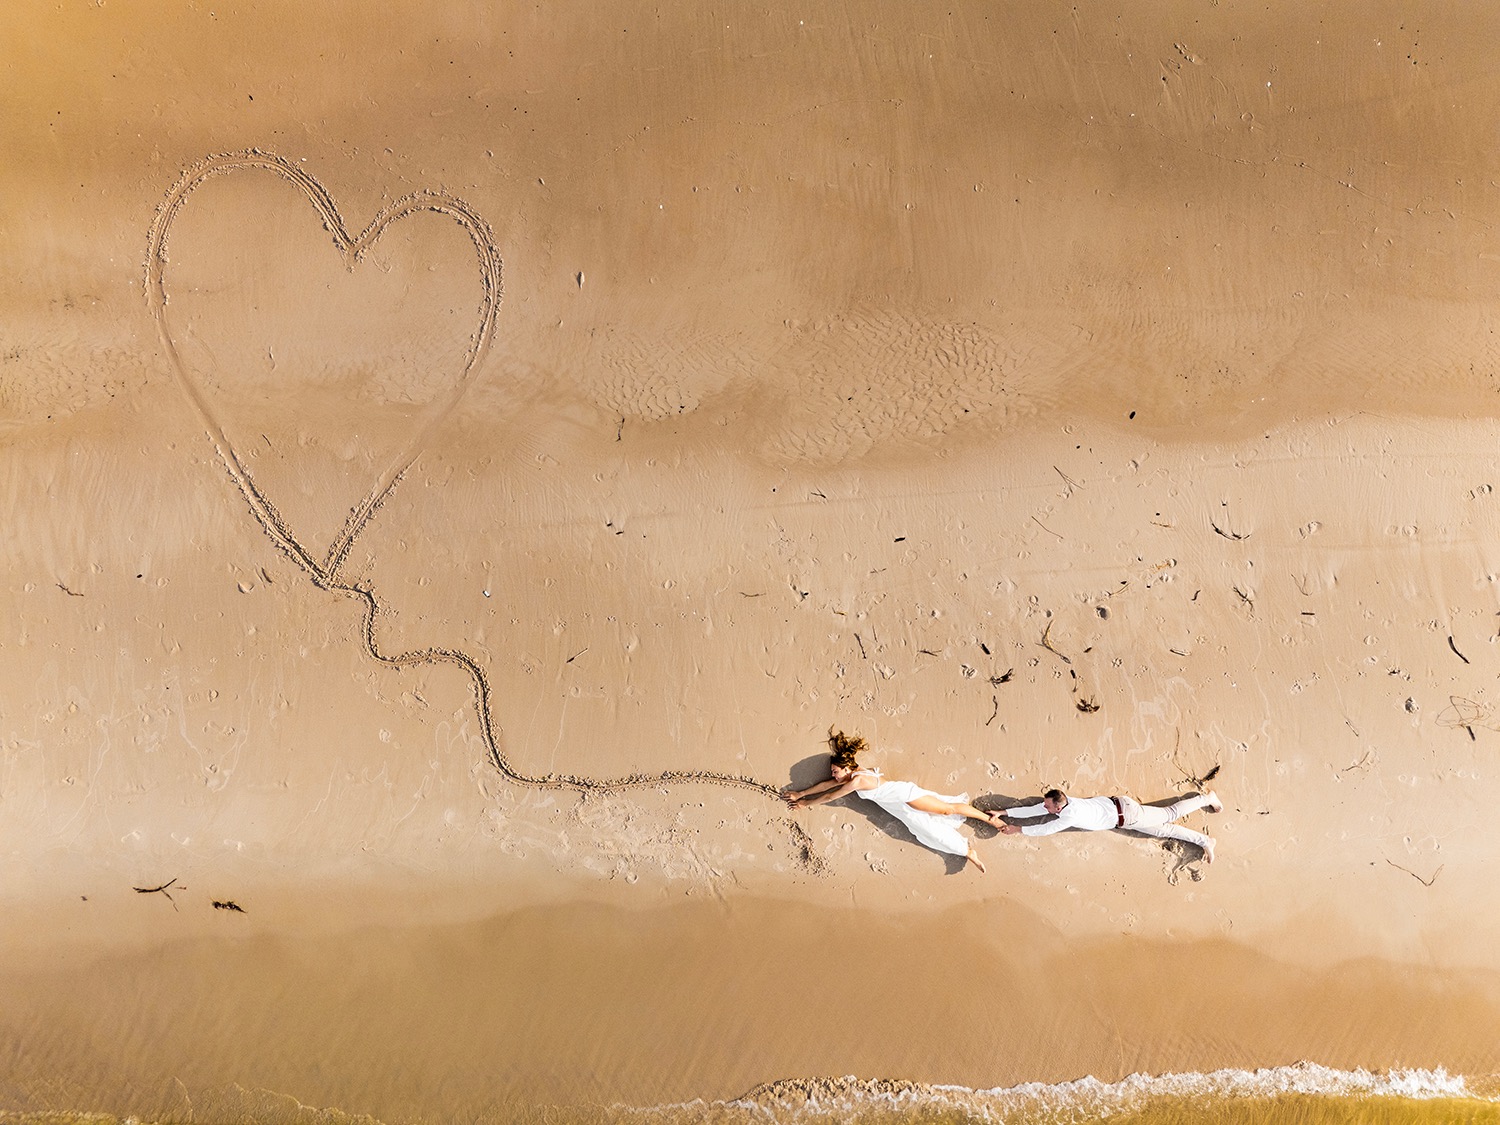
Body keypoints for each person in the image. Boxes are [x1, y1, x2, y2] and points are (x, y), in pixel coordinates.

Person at [783, 730, 1001, 873]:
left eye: (836, 771)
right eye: (833, 772)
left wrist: (804, 803)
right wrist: (800, 794)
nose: (835, 775)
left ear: (847, 767)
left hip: (905, 798)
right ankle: (967, 850)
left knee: (945, 811)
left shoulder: (857, 781)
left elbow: (831, 795)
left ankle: (987, 820)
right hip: (900, 806)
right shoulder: (853, 774)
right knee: (930, 829)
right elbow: (827, 786)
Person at [999, 787, 1222, 863]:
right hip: (1124, 815)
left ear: (1058, 807)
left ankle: (1207, 798)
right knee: (1165, 830)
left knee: (1169, 814)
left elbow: (1045, 829)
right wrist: (1005, 812)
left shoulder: (1069, 816)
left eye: (1048, 805)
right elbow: (1036, 810)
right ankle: (1205, 841)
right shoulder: (1066, 802)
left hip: (1129, 815)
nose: (1044, 807)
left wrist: (1018, 829)